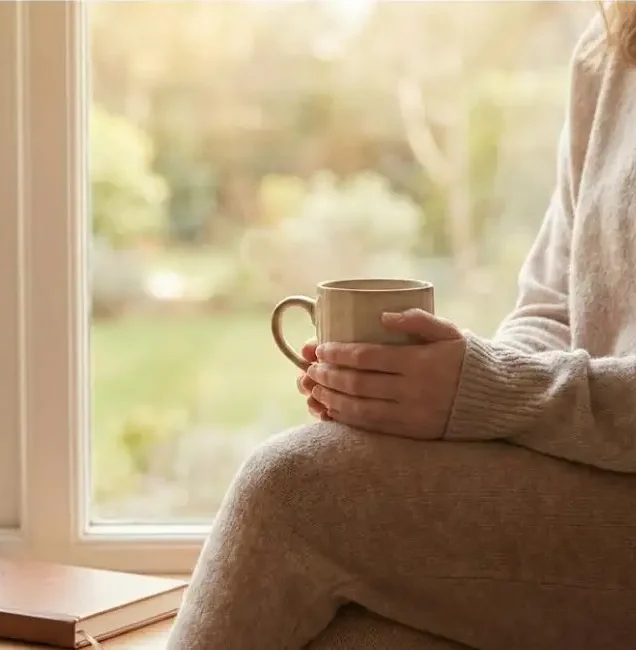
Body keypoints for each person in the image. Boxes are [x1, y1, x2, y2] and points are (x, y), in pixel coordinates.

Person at [167, 8, 636, 650]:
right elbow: (552, 305)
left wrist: (492, 393)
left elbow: (512, 382)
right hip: (595, 475)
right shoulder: (612, 45)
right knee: (356, 636)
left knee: (294, 489)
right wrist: (435, 399)